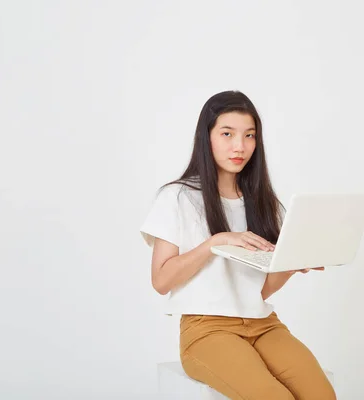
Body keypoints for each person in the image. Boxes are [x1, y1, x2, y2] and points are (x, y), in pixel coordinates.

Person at [140, 90, 336, 399]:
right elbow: (161, 281)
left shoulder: (263, 203)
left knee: (323, 396)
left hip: (263, 325)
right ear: (207, 137)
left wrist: (290, 264)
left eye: (249, 136)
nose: (239, 146)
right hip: (207, 331)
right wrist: (215, 243)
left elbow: (260, 290)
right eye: (227, 134)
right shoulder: (177, 197)